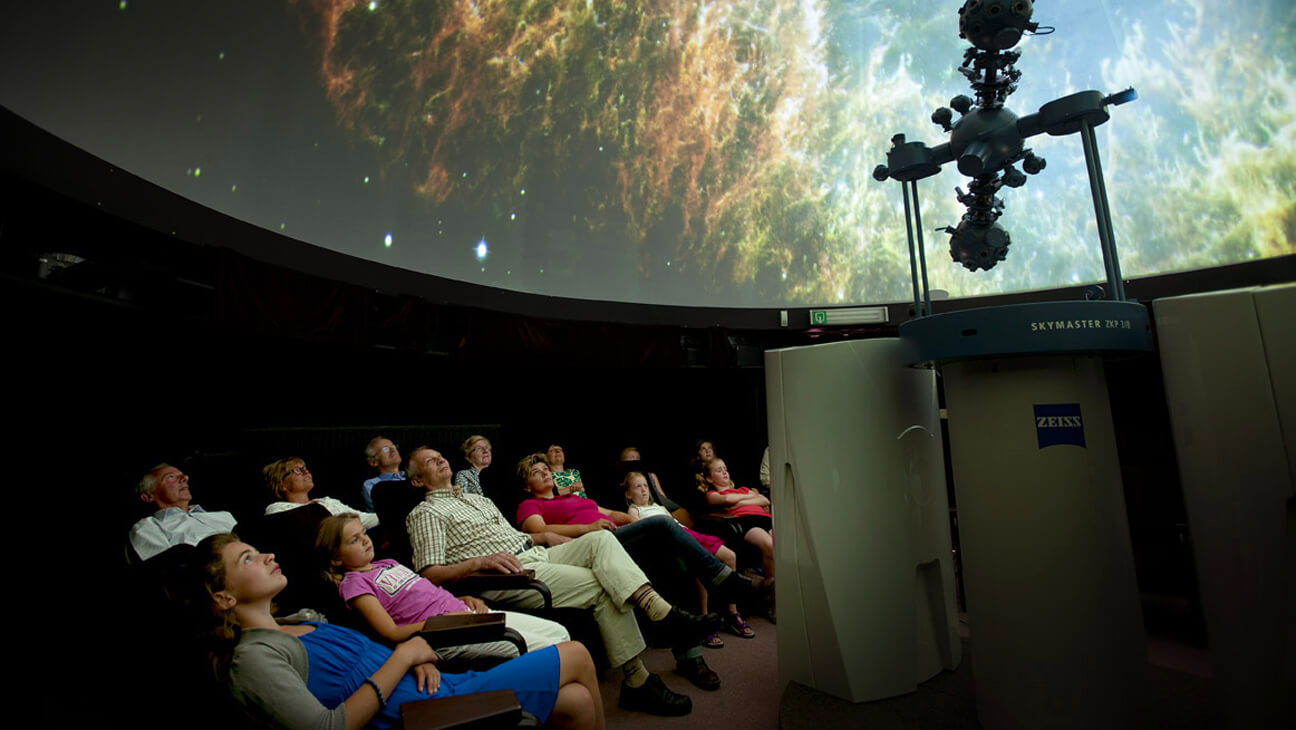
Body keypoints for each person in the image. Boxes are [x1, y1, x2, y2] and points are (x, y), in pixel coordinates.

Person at [404, 446, 718, 715]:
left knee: (601, 540)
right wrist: (480, 562)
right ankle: (639, 678)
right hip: (504, 573)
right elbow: (429, 574)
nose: (440, 459)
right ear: (418, 479)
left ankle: (659, 612)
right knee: (603, 584)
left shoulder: (479, 500)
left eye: (440, 455)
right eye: (430, 461)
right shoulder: (425, 512)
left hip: (535, 551)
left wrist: (544, 535)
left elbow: (521, 535)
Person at [193, 533, 603, 730]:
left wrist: (411, 661)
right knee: (577, 654)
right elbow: (328, 728)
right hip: (419, 713)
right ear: (223, 597)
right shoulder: (251, 658)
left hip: (430, 684)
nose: (267, 554)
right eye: (248, 558)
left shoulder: (297, 621)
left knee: (576, 701)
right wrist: (406, 655)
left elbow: (368, 657)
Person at [517, 454, 756, 680]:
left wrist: (635, 521)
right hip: (591, 545)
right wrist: (588, 529)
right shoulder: (530, 504)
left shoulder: (574, 497)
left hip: (617, 537)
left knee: (676, 563)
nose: (545, 473)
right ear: (527, 486)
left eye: (546, 469)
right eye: (536, 473)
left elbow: (610, 513)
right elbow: (537, 530)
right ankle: (722, 579)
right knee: (662, 523)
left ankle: (691, 658)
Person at [316, 513, 571, 662]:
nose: (365, 541)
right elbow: (391, 632)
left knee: (560, 633)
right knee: (552, 650)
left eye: (363, 533)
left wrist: (465, 597)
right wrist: (444, 621)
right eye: (354, 540)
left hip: (467, 613)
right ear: (336, 558)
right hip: (446, 634)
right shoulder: (355, 584)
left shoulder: (388, 562)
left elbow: (427, 593)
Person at [624, 471, 755, 642]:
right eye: (637, 487)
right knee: (698, 565)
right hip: (669, 543)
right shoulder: (634, 509)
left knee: (730, 556)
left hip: (687, 535)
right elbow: (638, 527)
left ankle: (732, 613)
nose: (643, 490)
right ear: (628, 494)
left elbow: (677, 525)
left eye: (645, 486)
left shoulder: (660, 506)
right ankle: (704, 617)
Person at [130, 463, 237, 561]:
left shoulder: (223, 515)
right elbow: (168, 569)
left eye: (183, 475)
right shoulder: (147, 527)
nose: (184, 478)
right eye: (170, 477)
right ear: (148, 496)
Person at [696, 458, 775, 587]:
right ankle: (772, 588)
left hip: (766, 518)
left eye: (725, 469)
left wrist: (739, 502)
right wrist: (752, 497)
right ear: (710, 478)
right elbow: (727, 499)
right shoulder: (713, 494)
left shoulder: (743, 489)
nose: (724, 472)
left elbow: (765, 500)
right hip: (748, 522)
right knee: (769, 544)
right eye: (719, 470)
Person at [264, 457, 379, 530]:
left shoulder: (327, 501)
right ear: (282, 484)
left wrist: (391, 515)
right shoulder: (276, 509)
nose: (306, 472)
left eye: (305, 468)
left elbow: (363, 519)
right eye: (297, 470)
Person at [361, 437, 405, 511]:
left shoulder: (413, 476)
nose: (392, 450)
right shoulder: (372, 484)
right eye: (385, 449)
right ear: (373, 462)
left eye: (393, 446)